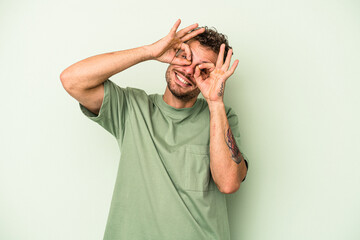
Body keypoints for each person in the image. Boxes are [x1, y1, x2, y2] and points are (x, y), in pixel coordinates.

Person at [60, 19, 248, 240]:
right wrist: (149, 52)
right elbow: (72, 80)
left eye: (203, 69)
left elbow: (228, 183)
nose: (189, 70)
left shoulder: (221, 117)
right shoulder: (132, 107)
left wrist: (216, 103)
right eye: (185, 57)